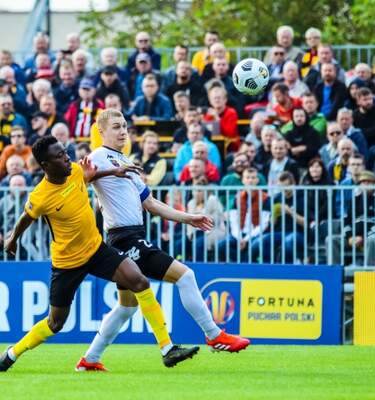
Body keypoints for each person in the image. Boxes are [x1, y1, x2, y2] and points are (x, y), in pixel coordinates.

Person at [0, 135, 199, 372]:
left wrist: (113, 172)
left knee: (139, 281)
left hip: (97, 250)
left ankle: (167, 349)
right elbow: (26, 217)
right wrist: (13, 238)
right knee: (55, 323)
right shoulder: (40, 196)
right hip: (67, 263)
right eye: (59, 156)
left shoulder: (74, 170)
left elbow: (88, 175)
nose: (67, 158)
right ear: (45, 165)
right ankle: (12, 353)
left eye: (65, 152)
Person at [75, 109, 249, 371]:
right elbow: (77, 179)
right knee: (185, 276)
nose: (123, 131)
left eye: (124, 126)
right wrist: (109, 172)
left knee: (126, 307)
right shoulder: (98, 157)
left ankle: (89, 359)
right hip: (124, 239)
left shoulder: (126, 161)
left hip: (132, 236)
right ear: (101, 131)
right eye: (116, 127)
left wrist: (188, 218)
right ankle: (214, 334)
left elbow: (151, 203)